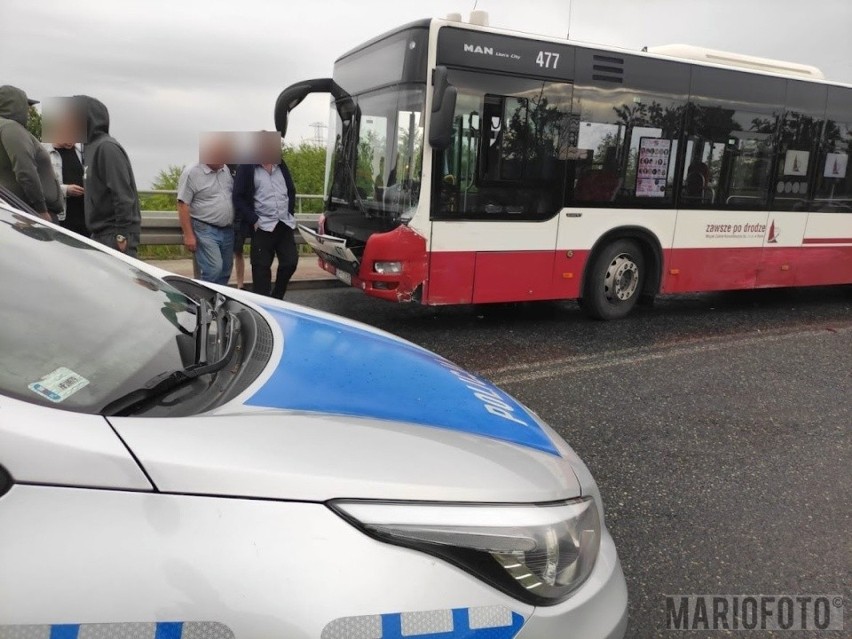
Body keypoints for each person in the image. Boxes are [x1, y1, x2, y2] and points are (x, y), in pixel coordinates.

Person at [233, 133, 298, 298]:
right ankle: (263, 305)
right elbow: (238, 197)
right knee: (261, 270)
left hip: (283, 223)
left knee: (290, 262)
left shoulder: (281, 165)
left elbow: (290, 190)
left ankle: (277, 296)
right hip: (262, 226)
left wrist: (289, 211)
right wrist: (253, 219)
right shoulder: (247, 167)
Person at [76, 95, 141, 257]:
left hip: (113, 234)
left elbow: (123, 195)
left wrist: (121, 234)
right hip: (99, 233)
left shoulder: (106, 147)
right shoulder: (89, 149)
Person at [177, 134, 235, 285]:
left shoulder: (225, 169)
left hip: (227, 229)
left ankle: (217, 301)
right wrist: (188, 235)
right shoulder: (192, 172)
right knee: (213, 269)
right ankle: (202, 300)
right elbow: (183, 204)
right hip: (205, 228)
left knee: (226, 270)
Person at [0, 85, 64, 221]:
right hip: (29, 212)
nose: (29, 112)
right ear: (13, 105)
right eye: (26, 106)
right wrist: (41, 210)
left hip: (14, 211)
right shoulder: (11, 127)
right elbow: (25, 170)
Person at [42, 101, 86, 236]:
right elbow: (39, 184)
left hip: (83, 216)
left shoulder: (82, 151)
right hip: (60, 217)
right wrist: (66, 190)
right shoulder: (43, 152)